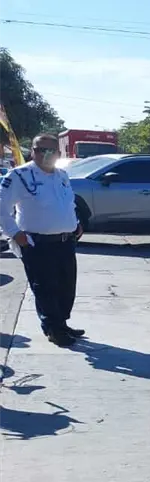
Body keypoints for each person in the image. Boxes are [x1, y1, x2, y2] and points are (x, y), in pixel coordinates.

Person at [0, 133, 85, 346]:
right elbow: (2, 207)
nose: (44, 154)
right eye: (39, 150)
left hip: (65, 242)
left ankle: (61, 324)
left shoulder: (62, 175)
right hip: (37, 243)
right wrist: (15, 233)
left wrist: (75, 223)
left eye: (50, 150)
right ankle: (53, 329)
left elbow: (68, 203)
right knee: (46, 288)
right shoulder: (19, 176)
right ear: (32, 151)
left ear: (58, 153)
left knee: (66, 287)